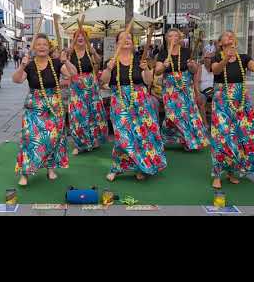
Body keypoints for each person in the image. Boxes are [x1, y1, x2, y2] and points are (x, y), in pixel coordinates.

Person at [210, 30, 254, 189]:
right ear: (220, 43)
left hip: (241, 101)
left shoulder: (243, 57)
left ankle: (233, 172)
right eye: (226, 35)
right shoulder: (217, 57)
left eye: (232, 35)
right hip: (222, 101)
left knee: (240, 136)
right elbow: (216, 70)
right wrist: (226, 57)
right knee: (222, 136)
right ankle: (217, 174)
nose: (230, 36)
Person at [101, 31, 167, 182]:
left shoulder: (140, 60)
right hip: (120, 101)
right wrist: (109, 69)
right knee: (122, 137)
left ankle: (140, 167)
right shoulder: (111, 61)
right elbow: (103, 81)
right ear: (117, 43)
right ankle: (117, 168)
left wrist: (146, 69)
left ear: (133, 42)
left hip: (140, 101)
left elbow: (149, 82)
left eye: (129, 38)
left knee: (141, 136)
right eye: (123, 38)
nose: (127, 40)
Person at [12, 33, 72, 186]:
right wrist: (22, 65)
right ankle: (25, 173)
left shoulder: (57, 63)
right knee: (29, 139)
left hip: (54, 106)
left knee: (52, 139)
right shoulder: (30, 65)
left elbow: (73, 74)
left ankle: (50, 168)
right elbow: (17, 80)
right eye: (38, 44)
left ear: (49, 47)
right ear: (34, 47)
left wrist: (67, 62)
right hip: (34, 107)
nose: (41, 47)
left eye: (44, 44)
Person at [155, 28, 209, 151]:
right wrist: (164, 65)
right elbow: (157, 72)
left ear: (179, 39)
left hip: (185, 88)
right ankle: (165, 138)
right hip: (170, 89)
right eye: (170, 36)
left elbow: (194, 70)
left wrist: (192, 66)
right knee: (172, 115)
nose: (173, 38)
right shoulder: (163, 53)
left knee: (189, 114)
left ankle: (190, 141)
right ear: (166, 39)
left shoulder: (186, 52)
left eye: (176, 36)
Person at [66, 25, 108, 156]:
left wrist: (94, 52)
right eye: (77, 36)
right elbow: (64, 66)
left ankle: (94, 140)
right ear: (73, 39)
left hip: (91, 86)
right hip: (76, 86)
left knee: (93, 113)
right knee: (78, 115)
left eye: (82, 36)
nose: (80, 38)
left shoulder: (90, 51)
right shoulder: (69, 53)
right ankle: (80, 144)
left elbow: (99, 61)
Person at [194, 52, 214, 127]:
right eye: (205, 58)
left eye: (209, 58)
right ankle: (205, 123)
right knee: (201, 100)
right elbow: (196, 82)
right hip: (203, 92)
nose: (207, 60)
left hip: (214, 90)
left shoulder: (215, 67)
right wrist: (198, 93)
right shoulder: (200, 68)